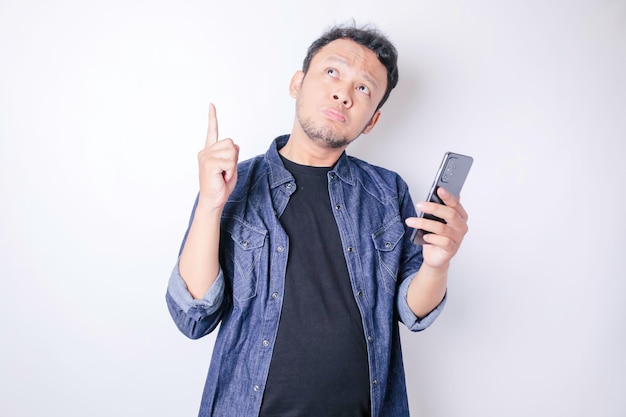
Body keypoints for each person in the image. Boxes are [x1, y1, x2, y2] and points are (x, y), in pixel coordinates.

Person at [166, 23, 469, 417]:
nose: (343, 93)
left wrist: (437, 263)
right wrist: (210, 204)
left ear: (372, 120)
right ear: (298, 82)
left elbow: (413, 312)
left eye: (363, 89)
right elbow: (193, 317)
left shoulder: (387, 191)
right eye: (332, 72)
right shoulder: (231, 185)